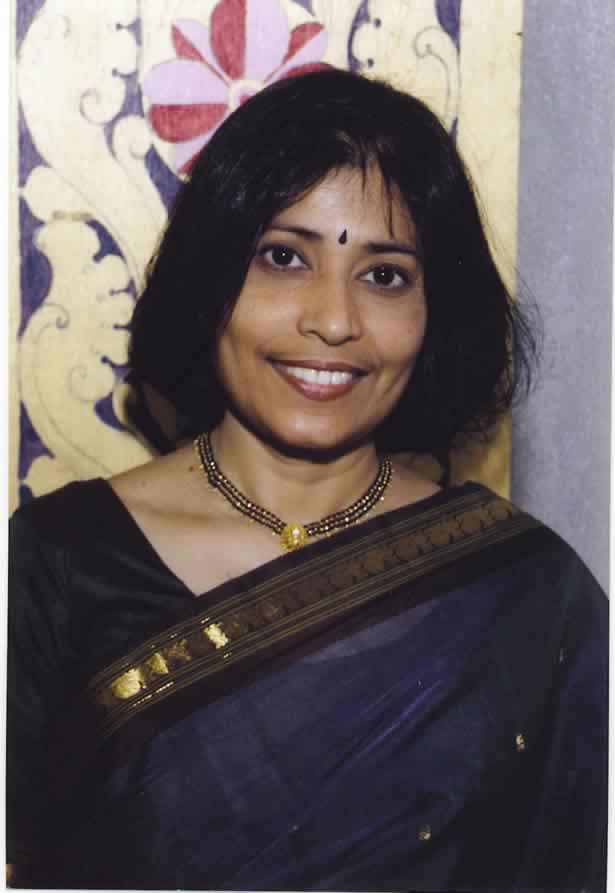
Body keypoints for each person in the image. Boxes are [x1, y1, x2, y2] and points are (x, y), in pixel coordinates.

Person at [7, 69, 607, 891]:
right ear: (209, 280)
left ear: (433, 312)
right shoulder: (52, 567)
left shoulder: (528, 594)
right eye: (283, 257)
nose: (332, 320)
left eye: (384, 274)